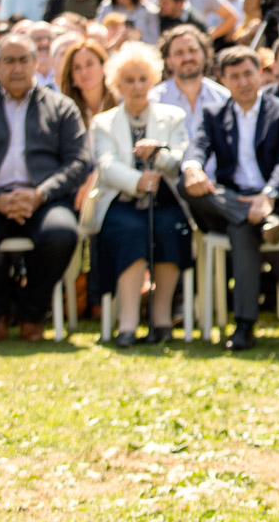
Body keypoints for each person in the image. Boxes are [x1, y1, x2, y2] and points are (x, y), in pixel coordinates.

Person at [0, 33, 91, 342]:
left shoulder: (60, 106)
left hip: (43, 199)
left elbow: (79, 161)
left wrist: (41, 194)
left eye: (23, 60)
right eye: (8, 60)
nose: (16, 68)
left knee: (62, 234)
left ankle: (31, 313)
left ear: (36, 63)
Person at [180, 46, 279, 350]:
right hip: (228, 197)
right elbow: (198, 146)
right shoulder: (214, 114)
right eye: (235, 77)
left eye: (248, 73)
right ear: (223, 80)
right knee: (188, 184)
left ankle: (244, 326)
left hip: (268, 197)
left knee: (242, 229)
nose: (244, 82)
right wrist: (193, 168)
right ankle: (264, 222)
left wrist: (268, 195)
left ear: (260, 74)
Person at [88, 42, 192, 347]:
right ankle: (129, 321)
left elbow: (179, 161)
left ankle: (161, 318)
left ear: (153, 80)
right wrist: (138, 181)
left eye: (142, 79)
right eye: (129, 80)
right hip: (122, 202)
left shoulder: (172, 117)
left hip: (164, 200)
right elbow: (106, 166)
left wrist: (158, 155)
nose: (136, 87)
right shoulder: (103, 122)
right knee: (130, 231)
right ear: (117, 84)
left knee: (169, 230)